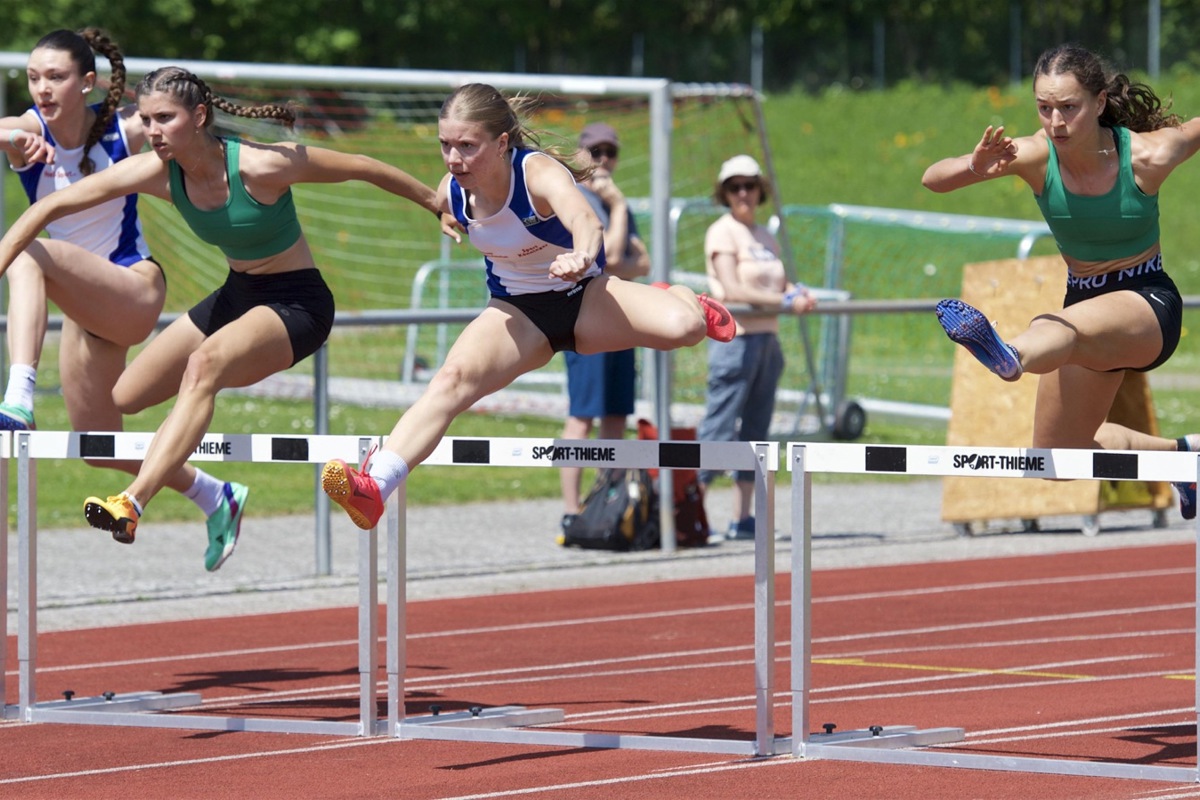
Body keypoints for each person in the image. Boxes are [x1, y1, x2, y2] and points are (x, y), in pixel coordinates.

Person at [0, 65, 449, 545]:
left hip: (298, 302)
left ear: (199, 116)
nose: (153, 131)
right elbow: (48, 208)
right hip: (237, 295)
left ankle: (131, 501)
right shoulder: (157, 172)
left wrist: (433, 201)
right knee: (126, 396)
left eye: (165, 119)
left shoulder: (261, 165)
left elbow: (361, 164)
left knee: (203, 365)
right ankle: (218, 491)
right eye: (147, 120)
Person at [321, 83, 735, 531]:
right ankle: (375, 487)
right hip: (517, 314)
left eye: (466, 146)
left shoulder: (535, 172)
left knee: (686, 328)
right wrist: (438, 210)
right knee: (451, 381)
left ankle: (679, 296)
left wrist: (580, 254)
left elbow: (585, 219)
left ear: (501, 144)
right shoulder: (455, 187)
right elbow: (433, 196)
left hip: (584, 299)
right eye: (445, 145)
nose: (453, 159)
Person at [0, 30, 245, 571]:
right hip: (86, 313)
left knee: (27, 249)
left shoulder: (125, 128)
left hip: (133, 290)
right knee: (100, 448)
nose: (43, 89)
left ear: (88, 83)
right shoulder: (26, 131)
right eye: (34, 77)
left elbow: (179, 120)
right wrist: (6, 140)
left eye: (57, 77)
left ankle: (18, 395)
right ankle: (215, 495)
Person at [921, 44, 1199, 520]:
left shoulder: (1148, 156)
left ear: (1099, 102)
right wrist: (975, 165)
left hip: (1147, 302)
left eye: (1068, 108)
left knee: (1060, 327)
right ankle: (1183, 457)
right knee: (1058, 457)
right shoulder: (1034, 155)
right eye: (1044, 108)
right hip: (1083, 303)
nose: (1055, 122)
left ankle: (1012, 356)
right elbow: (932, 179)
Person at [696, 154, 817, 540]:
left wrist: (795, 293)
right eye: (735, 187)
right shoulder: (722, 231)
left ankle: (742, 517)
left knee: (756, 431)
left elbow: (776, 287)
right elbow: (732, 289)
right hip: (735, 339)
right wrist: (783, 301)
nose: (744, 193)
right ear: (725, 194)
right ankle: (691, 510)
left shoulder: (764, 235)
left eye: (749, 184)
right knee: (718, 426)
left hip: (767, 339)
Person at [558, 122, 651, 536]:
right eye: (595, 152)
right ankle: (571, 507)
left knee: (616, 415)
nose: (603, 161)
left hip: (621, 320)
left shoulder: (618, 205)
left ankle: (607, 499)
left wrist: (619, 211)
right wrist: (615, 208)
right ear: (580, 154)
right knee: (582, 417)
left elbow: (642, 264)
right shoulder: (574, 199)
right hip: (584, 321)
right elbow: (613, 257)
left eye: (610, 153)